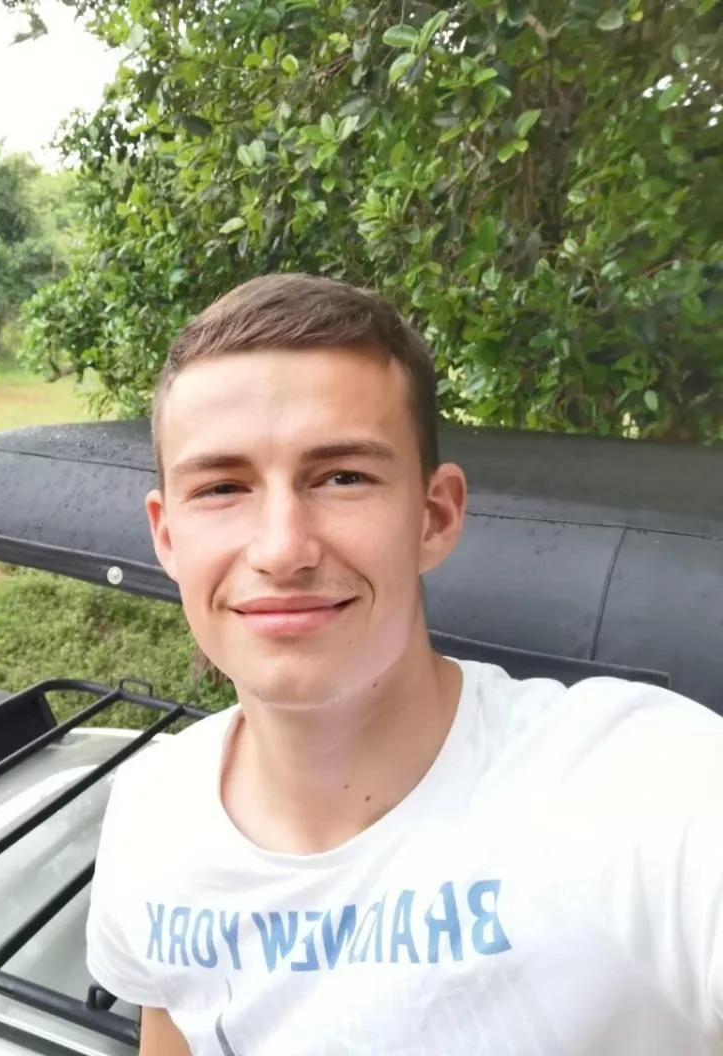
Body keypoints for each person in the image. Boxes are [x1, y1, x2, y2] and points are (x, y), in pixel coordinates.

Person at [84, 272, 723, 1055]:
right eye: (222, 487)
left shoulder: (645, 788)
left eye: (343, 477)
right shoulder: (153, 811)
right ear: (167, 536)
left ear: (436, 515)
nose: (282, 549)